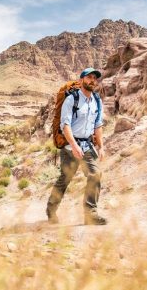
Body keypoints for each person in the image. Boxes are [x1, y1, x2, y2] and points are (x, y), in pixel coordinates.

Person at [46, 67, 107, 225]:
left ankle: (90, 214)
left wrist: (101, 146)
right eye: (89, 77)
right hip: (69, 146)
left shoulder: (97, 101)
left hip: (86, 146)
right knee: (65, 179)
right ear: (81, 80)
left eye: (95, 78)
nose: (92, 80)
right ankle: (51, 210)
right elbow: (65, 125)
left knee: (95, 174)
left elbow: (98, 125)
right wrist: (73, 145)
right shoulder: (71, 99)